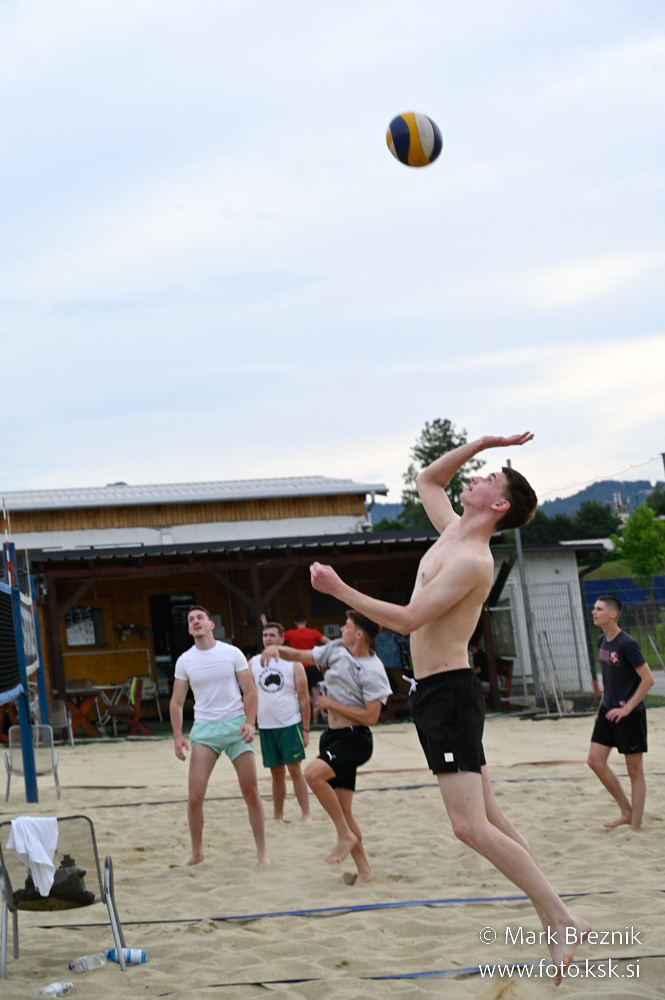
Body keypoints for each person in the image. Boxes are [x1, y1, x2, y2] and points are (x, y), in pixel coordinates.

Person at [310, 432, 590, 982]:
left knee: (469, 827)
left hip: (450, 696)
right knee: (492, 819)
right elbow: (427, 479)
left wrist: (340, 589)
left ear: (499, 504)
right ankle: (553, 915)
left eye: (489, 477)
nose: (477, 476)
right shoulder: (452, 530)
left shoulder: (471, 559)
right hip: (436, 694)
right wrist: (482, 443)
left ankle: (562, 918)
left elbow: (408, 619)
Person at [262, 610, 391, 884]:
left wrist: (332, 704)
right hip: (333, 736)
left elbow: (371, 717)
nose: (341, 628)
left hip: (355, 738)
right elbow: (300, 655)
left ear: (359, 634)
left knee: (312, 774)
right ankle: (365, 871)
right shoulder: (336, 649)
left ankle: (344, 835)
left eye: (347, 625)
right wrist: (276, 649)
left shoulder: (373, 670)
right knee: (344, 809)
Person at [169, 605, 269, 866]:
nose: (196, 621)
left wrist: (250, 722)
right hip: (205, 729)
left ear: (211, 624)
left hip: (236, 726)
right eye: (191, 620)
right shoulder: (185, 660)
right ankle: (197, 852)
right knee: (195, 796)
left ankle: (262, 853)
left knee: (251, 792)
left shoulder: (231, 652)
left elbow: (250, 691)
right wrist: (178, 735)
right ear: (189, 629)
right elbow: (177, 702)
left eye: (200, 618)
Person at [587, 595, 654, 835]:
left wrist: (627, 708)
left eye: (599, 609)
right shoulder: (602, 640)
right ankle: (626, 811)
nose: (594, 612)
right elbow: (610, 680)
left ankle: (635, 826)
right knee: (595, 761)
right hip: (608, 709)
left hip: (629, 713)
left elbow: (648, 679)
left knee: (635, 771)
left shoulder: (627, 644)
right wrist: (601, 709)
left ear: (613, 614)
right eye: (594, 608)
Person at [248, 621, 312, 823]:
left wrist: (306, 729)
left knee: (295, 770)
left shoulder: (293, 663)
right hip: (266, 726)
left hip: (290, 724)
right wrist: (249, 721)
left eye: (272, 635)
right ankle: (278, 815)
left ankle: (306, 814)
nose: (268, 639)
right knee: (276, 774)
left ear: (282, 639)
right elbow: (248, 695)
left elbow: (304, 699)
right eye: (265, 635)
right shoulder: (253, 663)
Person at [283, 614, 330, 723]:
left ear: (295, 623)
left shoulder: (290, 634)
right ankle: (317, 718)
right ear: (306, 621)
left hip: (299, 667)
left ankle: (312, 718)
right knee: (316, 694)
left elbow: (277, 639)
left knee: (304, 694)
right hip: (313, 665)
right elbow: (328, 642)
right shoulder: (313, 632)